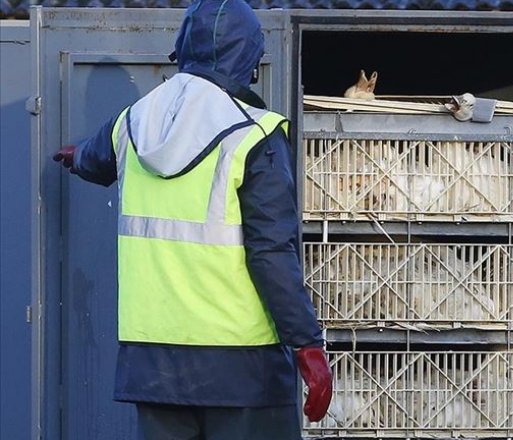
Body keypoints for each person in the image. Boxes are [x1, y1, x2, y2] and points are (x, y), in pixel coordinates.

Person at [53, 1, 332, 438]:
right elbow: (272, 252)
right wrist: (308, 344)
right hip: (243, 367)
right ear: (250, 60)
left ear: (181, 49)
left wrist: (74, 156)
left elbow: (93, 156)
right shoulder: (254, 135)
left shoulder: (132, 123)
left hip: (153, 366)